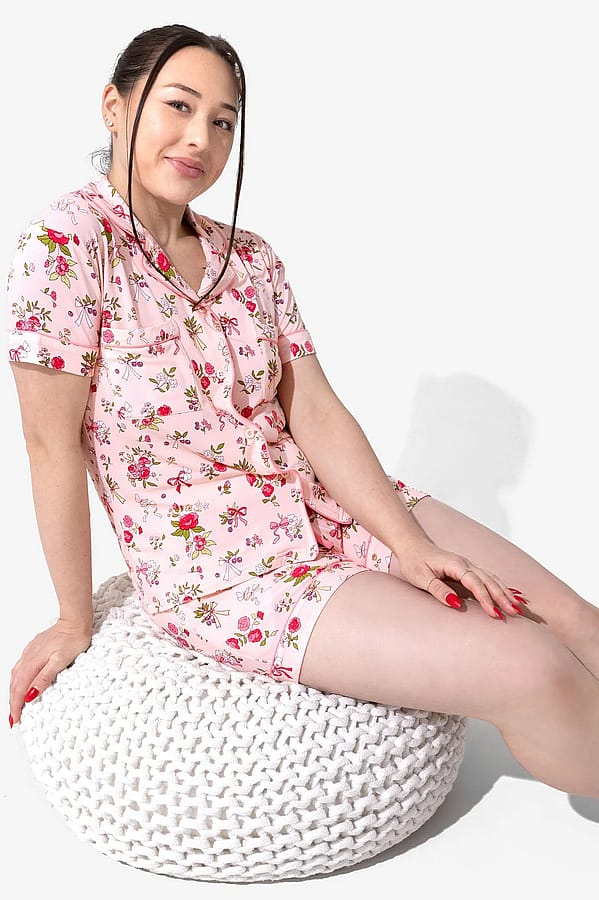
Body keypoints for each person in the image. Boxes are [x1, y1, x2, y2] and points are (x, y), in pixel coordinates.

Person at [5, 23, 599, 799]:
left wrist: (406, 544)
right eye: (178, 106)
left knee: (578, 622)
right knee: (534, 669)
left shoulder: (249, 256)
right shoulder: (64, 248)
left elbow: (312, 408)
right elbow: (48, 445)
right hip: (227, 571)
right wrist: (71, 617)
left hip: (320, 502)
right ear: (115, 108)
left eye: (223, 121)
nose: (201, 138)